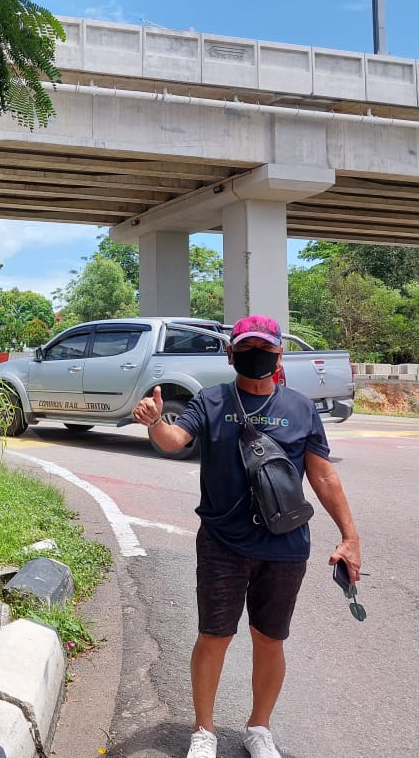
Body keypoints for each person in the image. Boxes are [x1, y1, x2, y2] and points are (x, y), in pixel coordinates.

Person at [131, 315, 362, 758]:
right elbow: (175, 439)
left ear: (278, 354)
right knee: (214, 636)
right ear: (231, 353)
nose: (257, 355)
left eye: (265, 348)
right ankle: (204, 730)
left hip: (285, 544)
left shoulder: (301, 407)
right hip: (223, 541)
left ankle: (259, 728)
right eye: (247, 348)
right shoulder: (211, 400)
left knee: (270, 638)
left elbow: (324, 476)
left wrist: (350, 536)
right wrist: (156, 422)